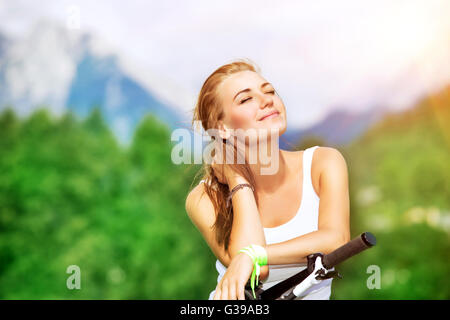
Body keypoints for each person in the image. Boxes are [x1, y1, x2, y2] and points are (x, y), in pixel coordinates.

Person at [185, 59, 350, 300]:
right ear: (222, 128)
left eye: (270, 91)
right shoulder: (203, 198)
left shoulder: (324, 163)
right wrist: (236, 178)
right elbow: (255, 273)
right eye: (245, 99)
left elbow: (336, 239)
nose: (266, 100)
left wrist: (255, 254)